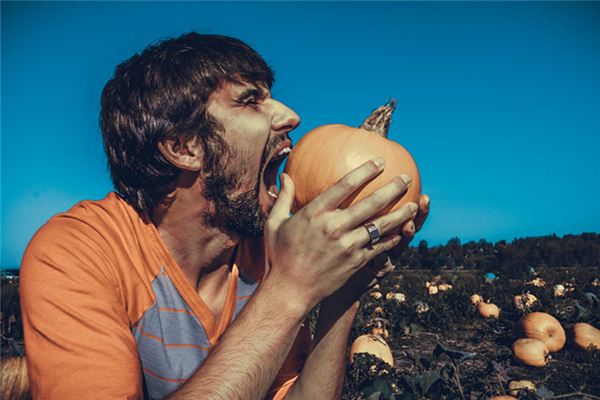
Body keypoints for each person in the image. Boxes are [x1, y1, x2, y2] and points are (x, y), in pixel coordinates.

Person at [20, 32, 429, 399]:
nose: (290, 116)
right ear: (184, 147)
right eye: (251, 101)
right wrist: (288, 290)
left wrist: (347, 287)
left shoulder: (267, 253)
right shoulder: (78, 252)